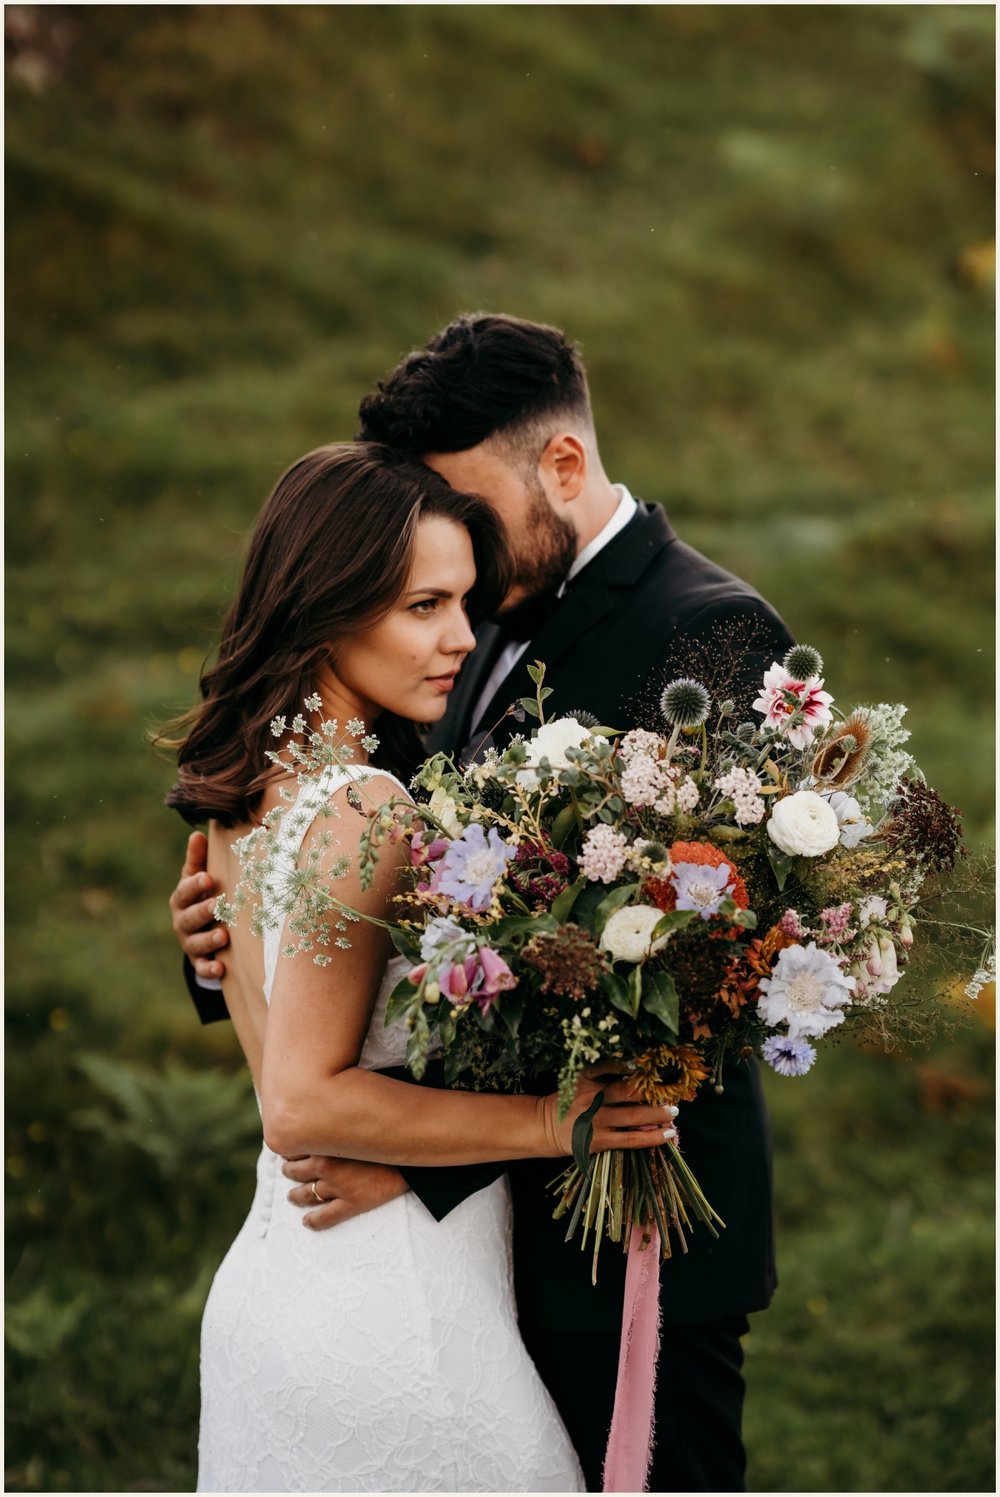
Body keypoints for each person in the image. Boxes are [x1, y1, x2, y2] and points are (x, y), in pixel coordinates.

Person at [171, 314, 796, 1493]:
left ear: (560, 466)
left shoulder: (710, 630)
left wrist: (422, 1163)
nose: (449, 564)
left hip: (619, 1233)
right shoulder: (454, 616)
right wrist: (226, 940)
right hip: (444, 1251)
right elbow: (356, 869)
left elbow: (712, 972)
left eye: (465, 503)